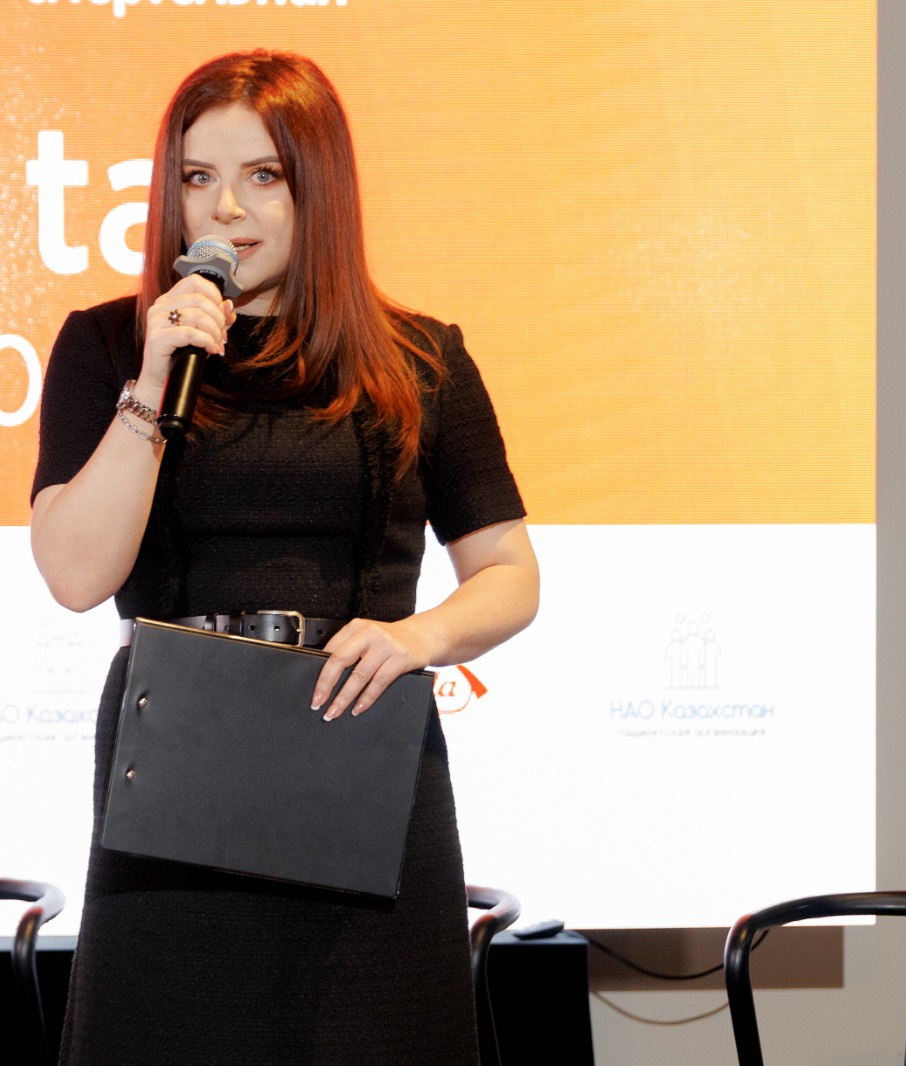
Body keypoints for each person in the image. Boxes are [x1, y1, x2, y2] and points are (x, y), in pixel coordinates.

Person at [30, 50, 539, 1066]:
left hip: (359, 743)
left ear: (320, 188)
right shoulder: (112, 347)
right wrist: (152, 383)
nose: (226, 208)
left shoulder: (419, 358)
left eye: (263, 175)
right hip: (178, 751)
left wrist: (417, 638)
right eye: (197, 177)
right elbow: (76, 576)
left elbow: (510, 573)